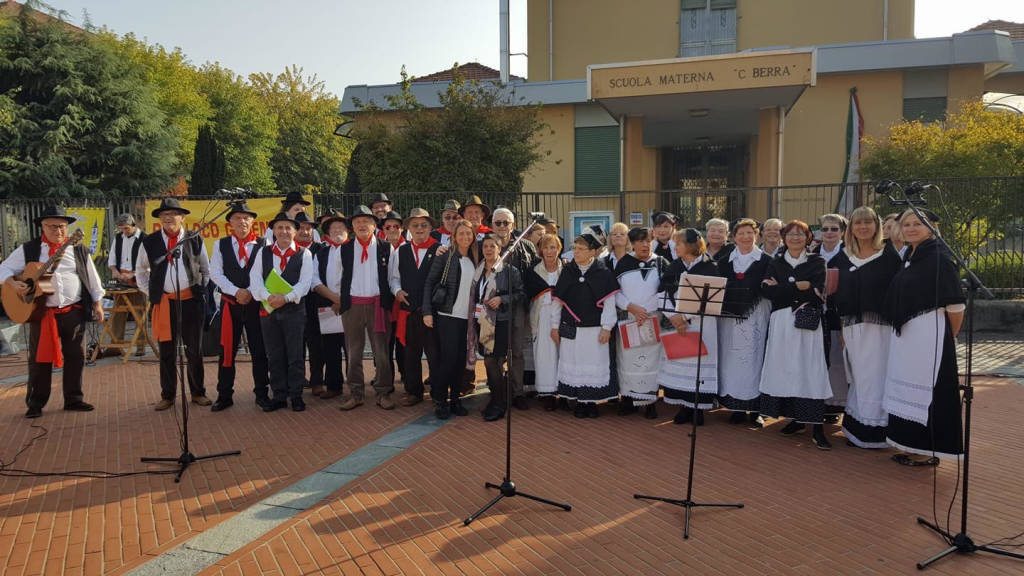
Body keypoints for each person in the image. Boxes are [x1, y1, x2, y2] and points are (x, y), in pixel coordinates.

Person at [0, 206, 105, 418]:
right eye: (52, 226)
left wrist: (98, 303)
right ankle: (36, 403)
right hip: (42, 313)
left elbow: (93, 279)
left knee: (76, 356)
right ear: (42, 226)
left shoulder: (78, 249)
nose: (58, 230)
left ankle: (73, 399)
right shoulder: (29, 249)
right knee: (40, 359)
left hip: (72, 310)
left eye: (62, 226)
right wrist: (12, 283)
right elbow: (4, 268)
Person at [882, 209, 964, 466]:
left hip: (930, 335)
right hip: (909, 336)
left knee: (930, 390)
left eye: (918, 223)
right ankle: (910, 444)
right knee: (907, 387)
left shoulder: (939, 259)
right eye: (906, 224)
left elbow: (956, 306)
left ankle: (929, 450)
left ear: (932, 227)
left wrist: (949, 336)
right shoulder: (912, 256)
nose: (911, 228)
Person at [758, 219, 833, 450]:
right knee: (786, 369)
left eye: (801, 234)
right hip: (781, 323)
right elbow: (767, 292)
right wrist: (798, 286)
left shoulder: (817, 260)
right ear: (783, 237)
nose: (796, 238)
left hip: (807, 323)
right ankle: (795, 420)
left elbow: (817, 292)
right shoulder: (776, 261)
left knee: (810, 371)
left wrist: (786, 287)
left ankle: (817, 428)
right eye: (791, 234)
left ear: (808, 237)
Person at [832, 206, 901, 448]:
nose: (863, 227)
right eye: (858, 223)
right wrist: (841, 327)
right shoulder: (842, 256)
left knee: (878, 376)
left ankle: (878, 430)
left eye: (867, 222)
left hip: (882, 328)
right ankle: (856, 429)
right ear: (851, 227)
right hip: (852, 327)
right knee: (858, 376)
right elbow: (837, 295)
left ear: (876, 226)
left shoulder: (890, 255)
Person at [136, 198, 212, 411]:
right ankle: (168, 395)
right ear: (159, 218)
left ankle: (198, 392)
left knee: (194, 349)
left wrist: (200, 289)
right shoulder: (149, 242)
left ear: (182, 217)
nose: (169, 218)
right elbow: (140, 272)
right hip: (165, 303)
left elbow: (205, 269)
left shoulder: (194, 239)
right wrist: (152, 292)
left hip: (190, 302)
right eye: (164, 214)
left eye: (173, 214)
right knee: (167, 350)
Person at [550, 226, 620, 418]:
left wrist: (607, 328)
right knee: (573, 363)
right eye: (575, 248)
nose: (576, 252)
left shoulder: (603, 272)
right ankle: (579, 402)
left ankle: (592, 403)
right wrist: (554, 327)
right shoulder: (568, 272)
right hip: (572, 327)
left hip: (595, 329)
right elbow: (557, 302)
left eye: (581, 249)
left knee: (593, 364)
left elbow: (609, 302)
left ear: (592, 252)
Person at [249, 212, 314, 412]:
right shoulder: (263, 252)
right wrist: (267, 296)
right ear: (274, 231)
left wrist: (285, 298)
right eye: (280, 228)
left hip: (294, 310)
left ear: (295, 231)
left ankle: (296, 395)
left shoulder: (304, 254)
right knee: (274, 353)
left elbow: (305, 283)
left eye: (288, 228)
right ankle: (279, 394)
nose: (284, 231)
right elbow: (255, 278)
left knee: (295, 354)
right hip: (269, 310)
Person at [209, 201, 270, 412]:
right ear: (230, 223)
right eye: (237, 218)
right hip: (231, 306)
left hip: (255, 305)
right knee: (227, 350)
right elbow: (215, 273)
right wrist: (236, 292)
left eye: (246, 218)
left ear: (253, 221)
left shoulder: (264, 244)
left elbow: (267, 274)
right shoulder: (221, 245)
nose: (242, 221)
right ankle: (224, 394)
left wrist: (251, 293)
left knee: (259, 350)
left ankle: (262, 393)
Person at [658, 228, 720, 425]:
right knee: (681, 363)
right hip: (679, 325)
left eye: (679, 243)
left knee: (699, 368)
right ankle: (684, 407)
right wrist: (674, 317)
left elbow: (712, 300)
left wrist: (685, 316)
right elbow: (661, 293)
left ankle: (697, 409)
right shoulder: (674, 266)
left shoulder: (711, 267)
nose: (675, 247)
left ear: (691, 246)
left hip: (702, 324)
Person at [338, 205, 397, 411]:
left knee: (381, 352)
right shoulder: (344, 249)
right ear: (352, 226)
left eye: (366, 221)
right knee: (353, 352)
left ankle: (383, 392)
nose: (362, 225)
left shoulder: (385, 247)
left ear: (374, 225)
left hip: (378, 305)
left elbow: (391, 278)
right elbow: (338, 278)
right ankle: (356, 392)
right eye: (357, 222)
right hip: (352, 306)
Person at [716, 218, 772, 426]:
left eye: (750, 233)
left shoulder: (766, 260)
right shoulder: (724, 261)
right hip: (730, 318)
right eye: (741, 233)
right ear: (734, 237)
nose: (746, 237)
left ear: (757, 235)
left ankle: (756, 409)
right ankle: (736, 407)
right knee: (731, 361)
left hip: (756, 316)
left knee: (755, 360)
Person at [423, 220, 480, 419]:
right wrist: (427, 312)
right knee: (446, 360)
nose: (465, 237)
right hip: (447, 316)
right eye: (461, 234)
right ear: (454, 236)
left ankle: (455, 398)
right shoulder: (445, 255)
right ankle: (440, 400)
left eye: (469, 233)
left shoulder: (475, 257)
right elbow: (430, 283)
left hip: (468, 318)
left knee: (459, 361)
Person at [614, 227, 670, 418]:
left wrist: (645, 311)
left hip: (653, 320)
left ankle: (650, 402)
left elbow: (667, 290)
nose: (644, 245)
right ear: (632, 243)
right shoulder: (623, 264)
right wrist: (632, 307)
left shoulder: (661, 263)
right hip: (630, 319)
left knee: (651, 362)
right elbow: (615, 293)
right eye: (639, 241)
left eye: (648, 240)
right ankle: (628, 400)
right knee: (629, 361)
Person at [389, 208, 441, 407]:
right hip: (408, 311)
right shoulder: (400, 251)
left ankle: (437, 390)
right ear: (408, 228)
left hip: (431, 313)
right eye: (415, 225)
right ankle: (414, 391)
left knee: (435, 353)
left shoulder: (439, 249)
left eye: (424, 225)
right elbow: (394, 279)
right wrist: (397, 292)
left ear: (430, 228)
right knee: (411, 354)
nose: (419, 229)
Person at [488, 207, 538, 410]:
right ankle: (498, 392)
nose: (501, 226)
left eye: (505, 223)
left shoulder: (525, 245)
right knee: (495, 353)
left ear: (513, 225)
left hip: (517, 306)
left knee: (516, 352)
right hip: (492, 308)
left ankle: (518, 392)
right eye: (497, 223)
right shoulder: (487, 244)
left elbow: (536, 272)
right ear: (492, 225)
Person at [476, 234, 525, 421]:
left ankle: (498, 403)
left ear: (500, 249)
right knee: (490, 360)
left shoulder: (509, 270)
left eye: (492, 246)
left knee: (492, 361)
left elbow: (520, 294)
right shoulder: (479, 270)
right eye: (485, 246)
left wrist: (502, 299)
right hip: (483, 322)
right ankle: (497, 399)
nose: (488, 249)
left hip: (502, 322)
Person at [311, 211, 349, 400]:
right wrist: (334, 298)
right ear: (327, 232)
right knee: (330, 349)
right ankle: (334, 385)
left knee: (353, 348)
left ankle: (355, 385)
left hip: (350, 307)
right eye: (334, 228)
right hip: (328, 307)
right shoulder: (321, 252)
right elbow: (314, 279)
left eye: (341, 227)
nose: (338, 230)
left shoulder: (354, 249)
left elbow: (359, 277)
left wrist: (343, 300)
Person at [815, 213, 849, 422]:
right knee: (815, 360)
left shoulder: (848, 254)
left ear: (843, 232)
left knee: (837, 360)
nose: (829, 233)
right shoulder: (812, 253)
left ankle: (834, 405)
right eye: (825, 229)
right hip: (814, 315)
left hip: (838, 315)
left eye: (834, 229)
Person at [523, 233, 564, 411]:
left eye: (553, 247)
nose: (549, 251)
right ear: (540, 250)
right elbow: (529, 295)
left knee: (565, 355)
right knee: (544, 356)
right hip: (541, 317)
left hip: (564, 318)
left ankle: (565, 391)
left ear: (559, 249)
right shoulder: (533, 272)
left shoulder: (567, 270)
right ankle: (547, 393)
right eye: (546, 247)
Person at [105, 213, 146, 356]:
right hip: (121, 280)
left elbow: (148, 265)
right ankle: (116, 345)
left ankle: (140, 346)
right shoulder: (118, 238)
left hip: (138, 281)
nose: (124, 231)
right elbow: (112, 259)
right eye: (122, 229)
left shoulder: (144, 239)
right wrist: (115, 271)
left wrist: (132, 274)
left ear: (134, 225)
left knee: (139, 313)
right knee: (118, 313)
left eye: (127, 228)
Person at [294, 212, 326, 396]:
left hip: (315, 302)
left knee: (316, 344)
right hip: (293, 303)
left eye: (309, 228)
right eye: (301, 227)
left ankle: (317, 381)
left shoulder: (321, 249)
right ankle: (297, 381)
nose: (305, 231)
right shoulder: (288, 249)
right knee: (295, 345)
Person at [381, 210, 406, 386]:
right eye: (388, 227)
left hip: (403, 302)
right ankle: (385, 378)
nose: (392, 230)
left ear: (402, 228)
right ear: (383, 229)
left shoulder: (408, 248)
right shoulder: (378, 248)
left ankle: (406, 375)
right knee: (384, 343)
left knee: (403, 343)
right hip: (384, 303)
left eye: (395, 226)